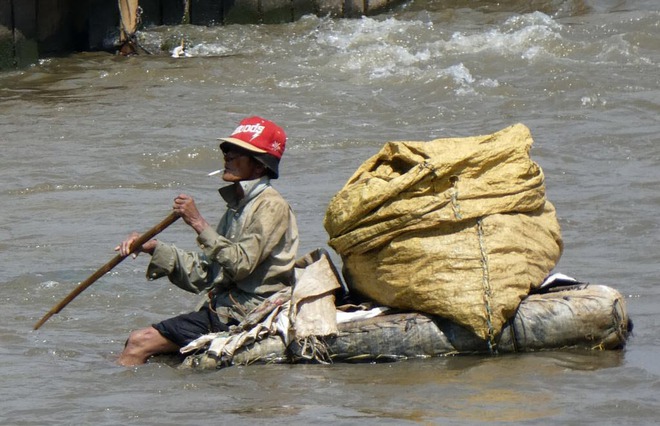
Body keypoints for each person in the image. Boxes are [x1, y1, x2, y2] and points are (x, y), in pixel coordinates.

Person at [116, 116, 299, 366]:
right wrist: (154, 248)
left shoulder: (270, 205)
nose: (228, 157)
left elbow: (241, 264)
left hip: (245, 312)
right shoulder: (238, 208)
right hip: (221, 307)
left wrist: (198, 222)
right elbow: (205, 273)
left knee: (139, 341)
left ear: (259, 166)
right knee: (136, 344)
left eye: (237, 152)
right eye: (227, 150)